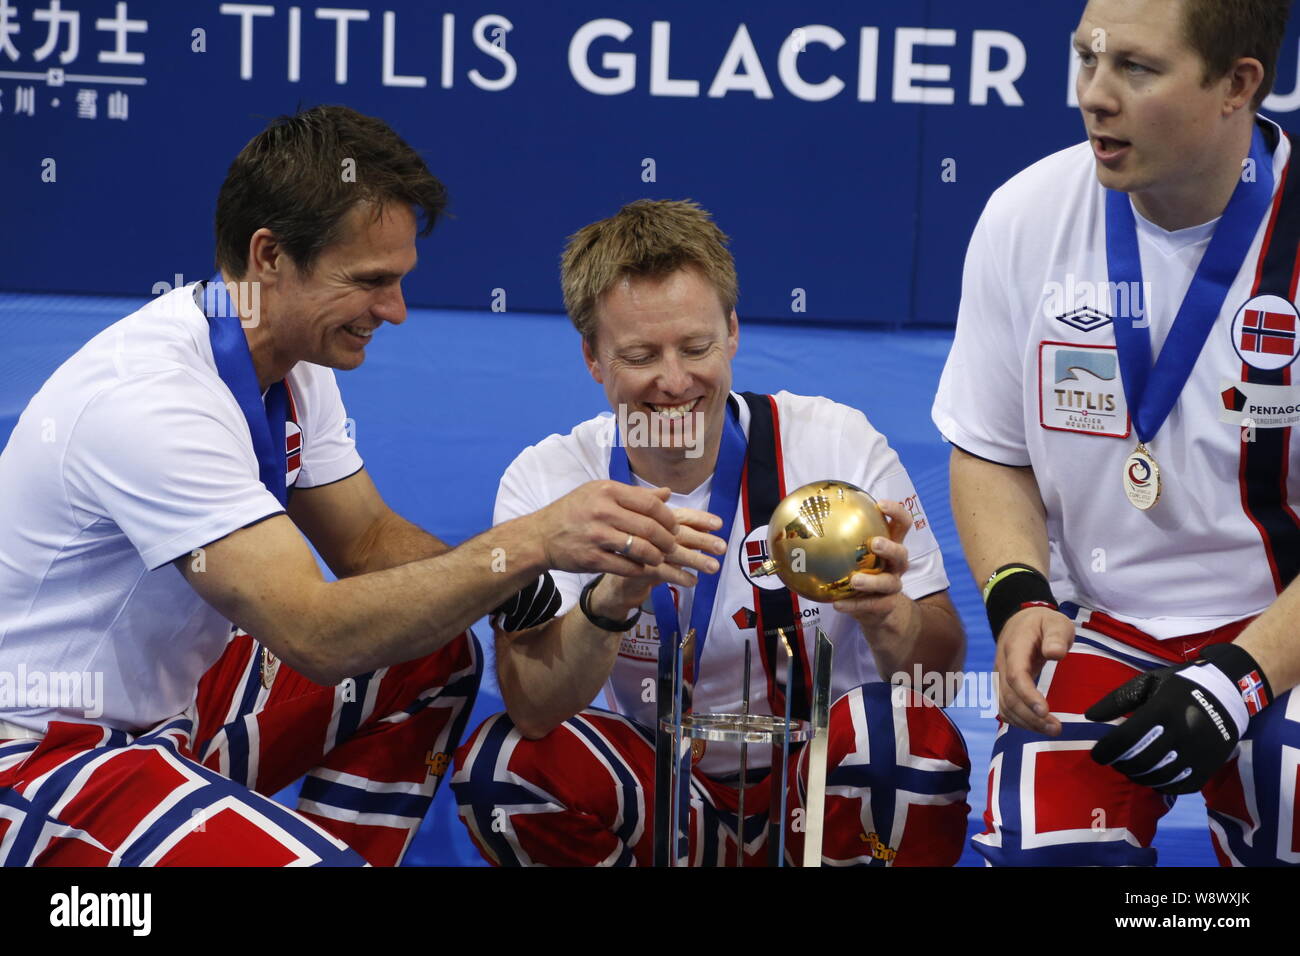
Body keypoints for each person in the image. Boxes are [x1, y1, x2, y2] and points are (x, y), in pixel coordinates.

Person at [0, 106, 708, 866]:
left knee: (434, 655)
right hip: (45, 753)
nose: (396, 311)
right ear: (269, 256)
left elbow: (368, 540)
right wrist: (531, 540)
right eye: (371, 282)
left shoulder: (284, 354)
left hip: (166, 720)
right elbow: (314, 632)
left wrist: (503, 584)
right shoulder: (153, 400)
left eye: (399, 280)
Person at [452, 199, 971, 866]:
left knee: (903, 742)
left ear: (732, 332)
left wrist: (890, 618)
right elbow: (534, 708)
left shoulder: (837, 444)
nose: (674, 382)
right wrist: (610, 602)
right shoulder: (551, 480)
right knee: (505, 770)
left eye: (695, 347)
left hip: (812, 793)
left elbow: (941, 682)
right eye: (640, 355)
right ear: (592, 357)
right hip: (659, 795)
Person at [933, 0, 1300, 866]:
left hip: (1280, 626)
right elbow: (992, 452)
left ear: (1237, 86)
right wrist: (1018, 594)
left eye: (1135, 68)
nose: (1094, 96)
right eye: (1087, 59)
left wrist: (1236, 680)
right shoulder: (1025, 215)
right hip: (1098, 625)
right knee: (1047, 853)